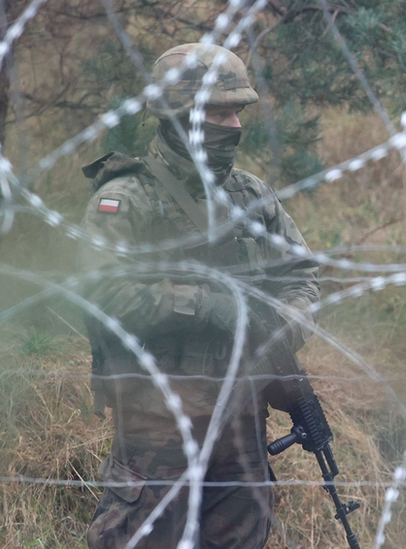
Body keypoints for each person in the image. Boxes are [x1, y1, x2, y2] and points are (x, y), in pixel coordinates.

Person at [80, 43, 320, 548]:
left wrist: (280, 326)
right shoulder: (126, 199)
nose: (233, 125)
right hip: (157, 421)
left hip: (243, 415)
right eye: (218, 112)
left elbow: (303, 277)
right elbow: (103, 296)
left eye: (237, 112)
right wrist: (209, 306)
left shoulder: (253, 197)